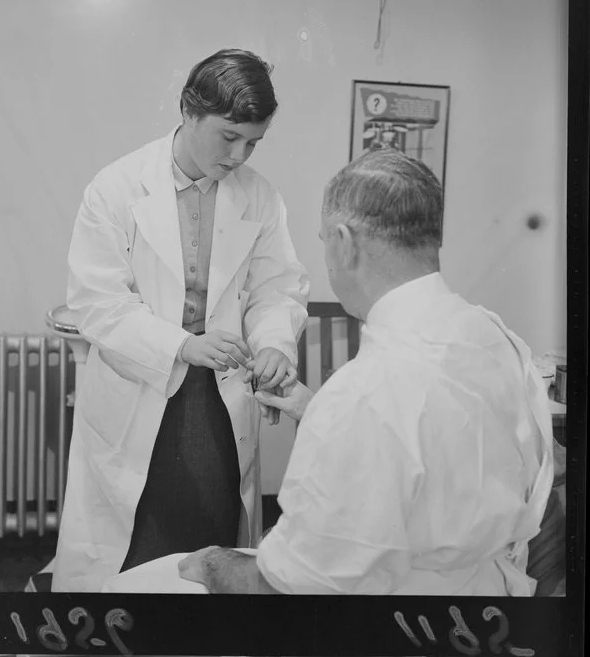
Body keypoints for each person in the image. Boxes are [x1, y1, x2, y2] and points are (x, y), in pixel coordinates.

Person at [178, 148, 554, 595]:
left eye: (323, 243)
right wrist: (309, 407)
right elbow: (437, 442)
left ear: (345, 242)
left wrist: (212, 564)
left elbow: (291, 585)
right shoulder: (493, 336)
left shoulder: (363, 395)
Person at [51, 49, 310, 592]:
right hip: (139, 384)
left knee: (207, 548)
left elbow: (276, 289)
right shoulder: (117, 188)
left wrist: (273, 345)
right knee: (136, 548)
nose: (240, 155)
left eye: (253, 142)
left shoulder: (260, 197)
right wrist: (180, 346)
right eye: (228, 136)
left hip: (218, 399)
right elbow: (98, 303)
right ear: (190, 112)